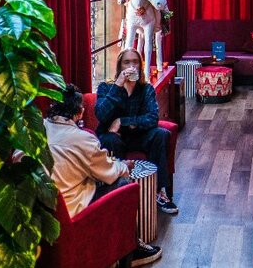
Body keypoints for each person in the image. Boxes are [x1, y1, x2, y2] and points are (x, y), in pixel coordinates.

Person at [45, 85, 162, 266]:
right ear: (80, 112)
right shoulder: (82, 139)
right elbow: (109, 173)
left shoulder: (36, 129)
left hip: (42, 208)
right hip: (70, 211)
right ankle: (130, 252)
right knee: (124, 184)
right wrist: (125, 166)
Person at [96, 49, 178, 215]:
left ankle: (159, 192)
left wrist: (122, 121)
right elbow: (101, 115)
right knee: (110, 140)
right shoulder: (106, 87)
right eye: (127, 62)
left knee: (160, 134)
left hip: (138, 137)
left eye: (135, 62)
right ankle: (117, 192)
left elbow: (152, 118)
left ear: (140, 67)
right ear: (120, 66)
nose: (131, 66)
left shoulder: (145, 89)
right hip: (113, 138)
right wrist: (118, 85)